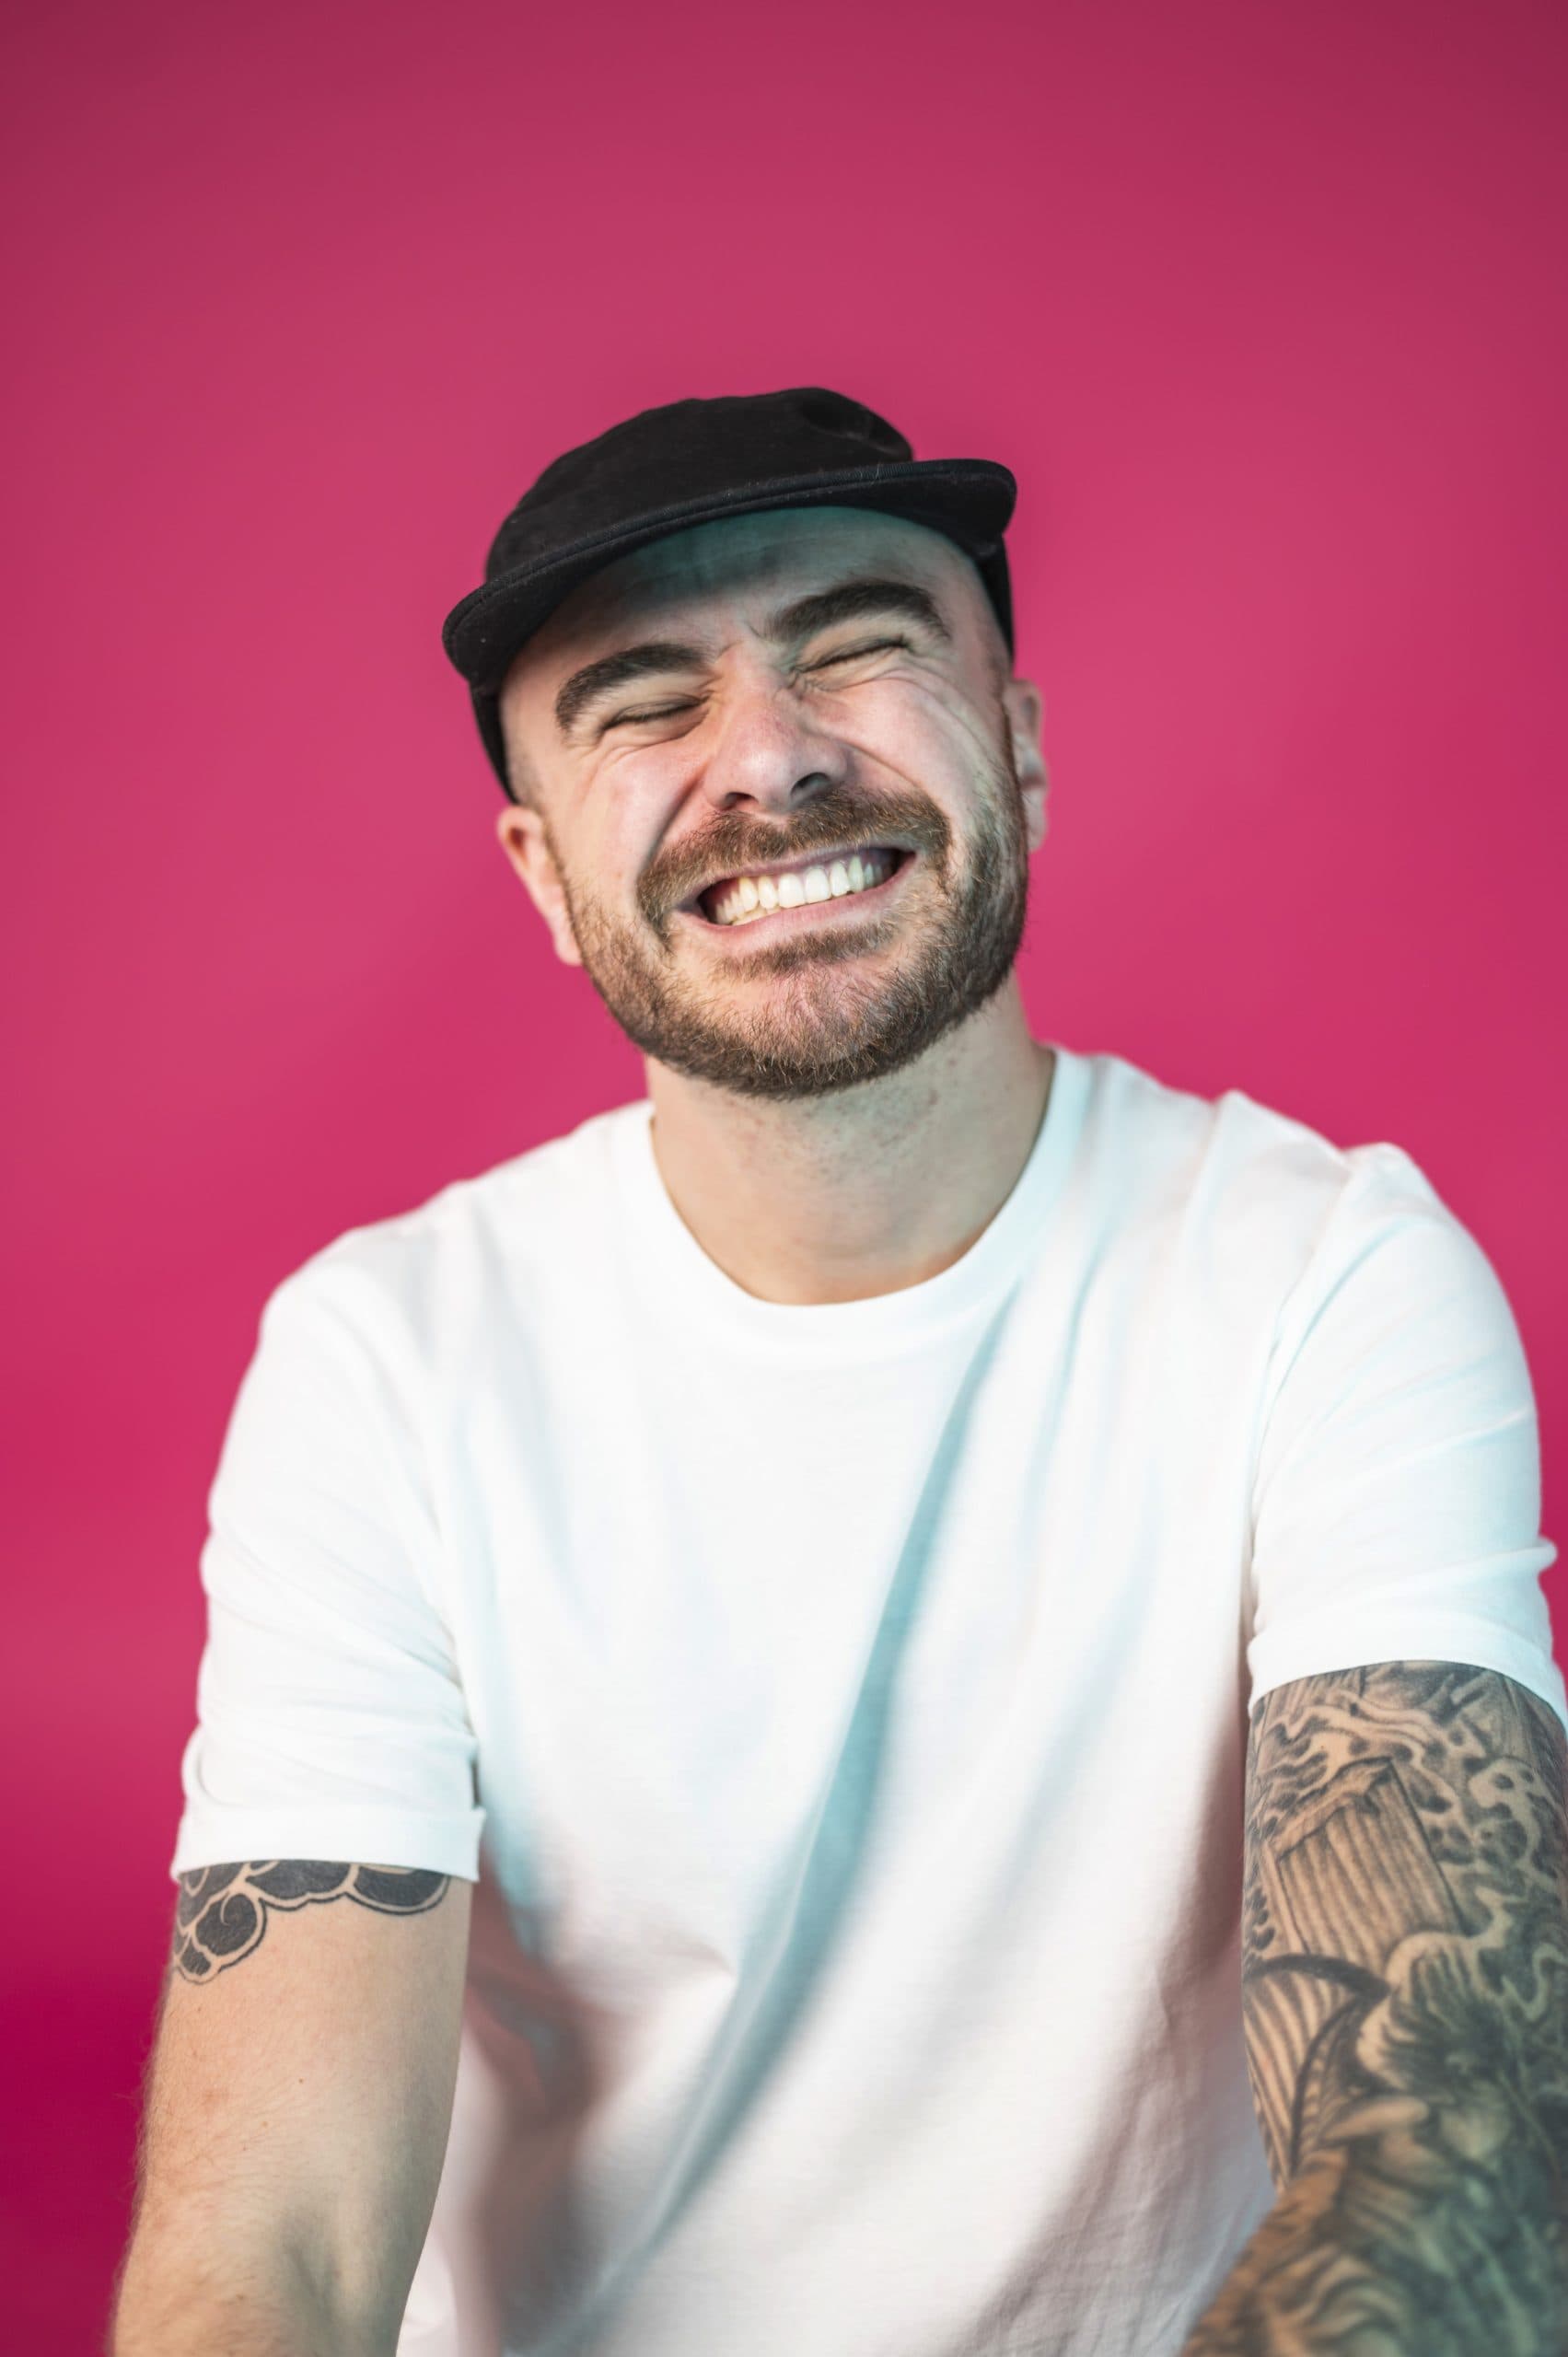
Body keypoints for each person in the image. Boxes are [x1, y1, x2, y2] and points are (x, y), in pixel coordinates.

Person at [112, 388, 1568, 2357]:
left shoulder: (1330, 1280)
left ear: (1024, 750)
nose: (774, 758)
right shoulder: (389, 1360)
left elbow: (1444, 2129)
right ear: (543, 874)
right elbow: (270, 2240)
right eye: (643, 701)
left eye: (864, 646)